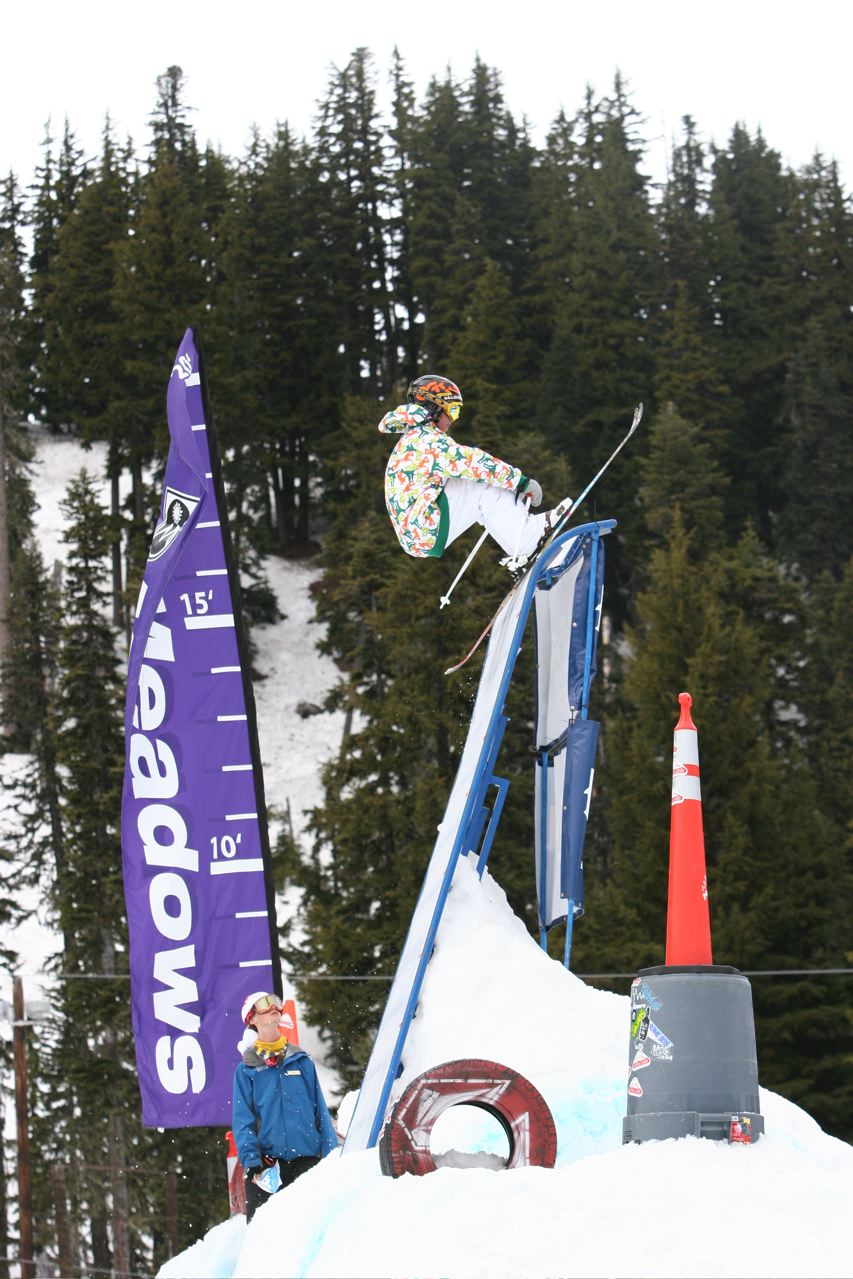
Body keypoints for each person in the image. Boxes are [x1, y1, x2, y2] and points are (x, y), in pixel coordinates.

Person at [379, 374, 571, 567]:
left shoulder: (414, 437)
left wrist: (508, 492)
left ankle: (520, 542)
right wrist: (520, 482)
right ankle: (528, 540)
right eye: (453, 410)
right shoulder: (426, 440)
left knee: (483, 492)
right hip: (425, 526)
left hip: (418, 529)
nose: (454, 419)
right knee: (482, 484)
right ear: (434, 406)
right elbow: (471, 462)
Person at [232, 991, 339, 1222]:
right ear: (252, 1019)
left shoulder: (301, 1061)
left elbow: (320, 1111)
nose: (272, 1007)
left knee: (312, 1232)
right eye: (263, 1004)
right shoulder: (247, 1070)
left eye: (276, 1002)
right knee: (268, 1241)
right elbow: (243, 1122)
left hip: (307, 1165)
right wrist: (252, 1163)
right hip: (268, 1169)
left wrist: (330, 1160)